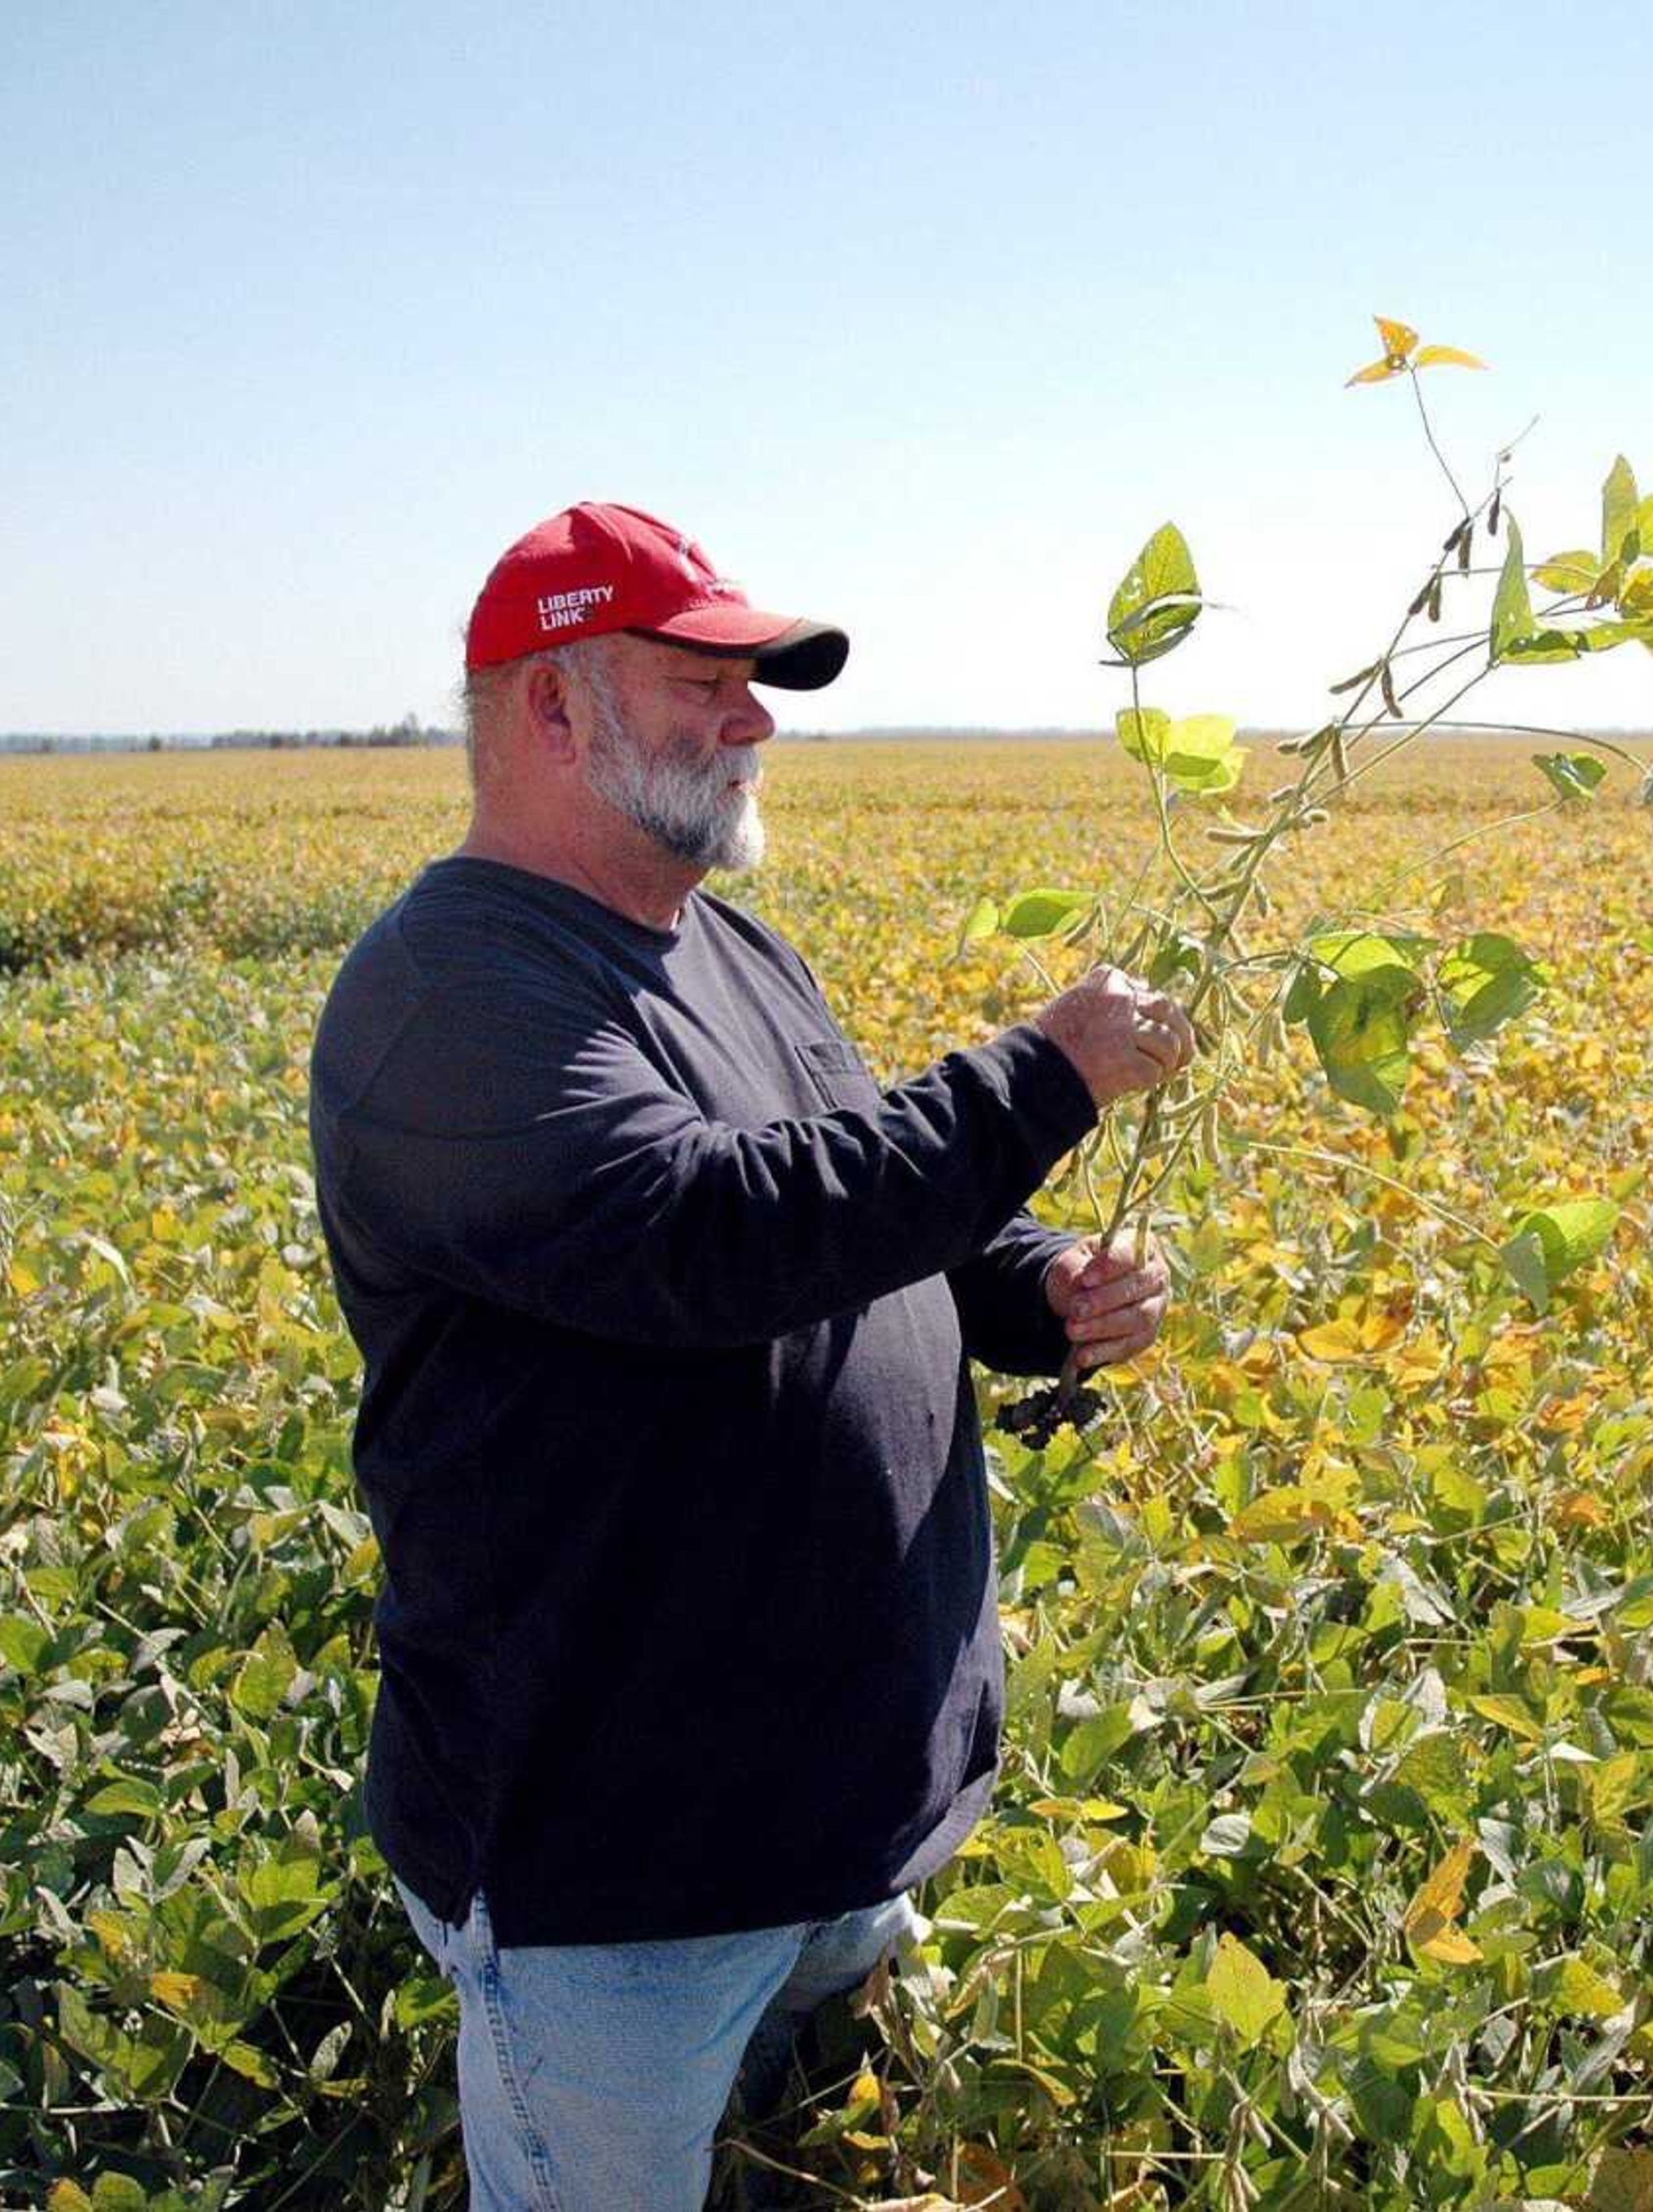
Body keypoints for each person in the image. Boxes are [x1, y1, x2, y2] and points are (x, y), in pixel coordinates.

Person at [307, 501, 1194, 2209]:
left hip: (837, 1822)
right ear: (552, 711)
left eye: (758, 682)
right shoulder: (450, 1002)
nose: (757, 718)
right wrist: (1047, 1075)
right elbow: (712, 1237)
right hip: (616, 1878)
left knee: (802, 2147)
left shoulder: (725, 941)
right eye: (702, 681)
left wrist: (1031, 1292)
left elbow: (858, 1202)